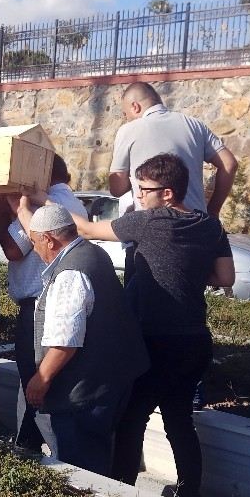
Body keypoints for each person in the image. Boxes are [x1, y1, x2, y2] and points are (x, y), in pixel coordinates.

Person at [74, 153, 233, 497]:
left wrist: (35, 203)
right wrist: (186, 273)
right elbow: (226, 277)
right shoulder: (211, 226)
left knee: (132, 418)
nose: (138, 196)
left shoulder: (149, 221)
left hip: (153, 339)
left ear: (168, 193)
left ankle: (119, 493)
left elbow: (85, 229)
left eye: (144, 190)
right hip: (194, 340)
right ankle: (190, 493)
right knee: (179, 420)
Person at [26, 203, 148, 475]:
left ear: (49, 239)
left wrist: (41, 379)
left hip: (84, 392)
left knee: (82, 471)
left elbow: (66, 340)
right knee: (99, 456)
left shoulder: (71, 272)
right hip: (110, 381)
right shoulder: (93, 253)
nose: (34, 250)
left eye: (35, 242)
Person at [0, 155, 88, 449]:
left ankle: (32, 446)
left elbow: (13, 249)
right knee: (42, 384)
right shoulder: (73, 203)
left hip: (37, 308)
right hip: (55, 301)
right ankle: (31, 443)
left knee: (35, 384)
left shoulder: (41, 207)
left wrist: (3, 211)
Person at [109, 80, 237, 219]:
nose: (126, 119)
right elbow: (229, 164)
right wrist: (213, 210)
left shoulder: (128, 130)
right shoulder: (194, 125)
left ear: (135, 107)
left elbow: (117, 189)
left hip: (153, 226)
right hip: (197, 224)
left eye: (125, 114)